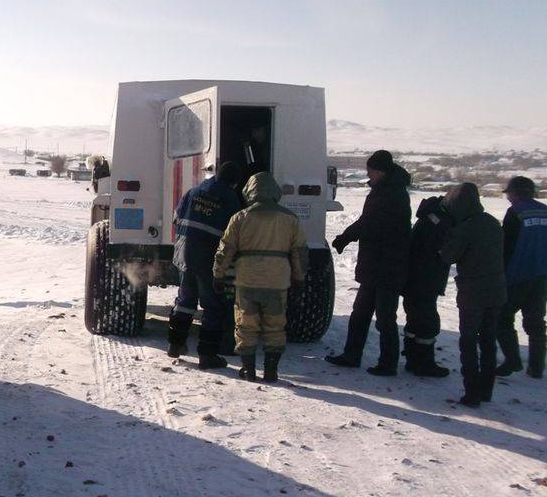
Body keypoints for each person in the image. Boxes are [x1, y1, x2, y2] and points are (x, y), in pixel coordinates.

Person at [212, 171, 307, 382]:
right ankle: (271, 370)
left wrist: (218, 274)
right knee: (275, 326)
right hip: (277, 281)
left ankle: (248, 369)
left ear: (249, 192)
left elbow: (225, 250)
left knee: (246, 325)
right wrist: (299, 277)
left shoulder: (240, 218)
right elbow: (299, 252)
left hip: (247, 280)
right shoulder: (290, 219)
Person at [326, 150, 412, 376]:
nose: (368, 174)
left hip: (388, 266)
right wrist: (347, 236)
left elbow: (371, 224)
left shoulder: (392, 194)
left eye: (371, 170)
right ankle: (351, 355)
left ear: (381, 171)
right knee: (360, 314)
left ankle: (388, 363)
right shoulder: (383, 191)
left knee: (385, 318)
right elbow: (368, 222)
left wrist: (346, 236)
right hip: (375, 265)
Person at [167, 161, 243, 369]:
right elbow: (234, 232)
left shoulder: (193, 191)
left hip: (184, 254)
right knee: (212, 306)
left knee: (185, 300)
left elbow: (176, 218)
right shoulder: (230, 198)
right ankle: (207, 355)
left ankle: (175, 344)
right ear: (234, 182)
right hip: (208, 258)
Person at [439, 183, 506, 407]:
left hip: (473, 293)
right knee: (488, 341)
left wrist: (445, 238)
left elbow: (448, 257)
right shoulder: (492, 222)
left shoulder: (465, 229)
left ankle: (472, 393)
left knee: (468, 342)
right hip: (497, 290)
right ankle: (486, 389)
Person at [495, 176, 547, 379]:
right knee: (536, 323)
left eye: (509, 193)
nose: (508, 197)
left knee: (502, 318)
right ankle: (536, 367)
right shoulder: (545, 211)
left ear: (516, 193)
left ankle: (512, 360)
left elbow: (506, 246)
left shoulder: (516, 213)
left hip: (517, 275)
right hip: (541, 275)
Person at [401, 195, 453, 377]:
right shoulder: (440, 223)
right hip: (426, 281)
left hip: (415, 280)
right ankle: (424, 363)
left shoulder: (429, 218)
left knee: (415, 320)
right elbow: (446, 253)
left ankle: (413, 359)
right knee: (427, 323)